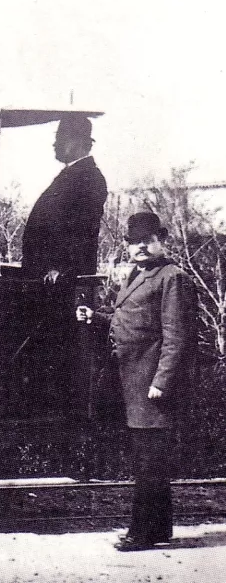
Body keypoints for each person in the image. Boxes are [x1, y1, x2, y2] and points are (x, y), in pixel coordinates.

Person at [76, 212, 197, 551]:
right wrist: (97, 318)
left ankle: (141, 534)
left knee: (149, 463)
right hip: (133, 382)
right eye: (133, 241)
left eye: (148, 240)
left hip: (151, 386)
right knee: (149, 460)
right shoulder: (136, 274)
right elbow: (126, 319)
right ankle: (158, 529)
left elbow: (178, 337)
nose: (140, 247)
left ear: (163, 241)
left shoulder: (173, 278)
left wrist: (162, 382)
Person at [22, 114, 107, 284]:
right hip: (47, 275)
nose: (56, 144)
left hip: (61, 279)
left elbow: (84, 230)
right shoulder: (72, 175)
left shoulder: (89, 177)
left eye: (62, 138)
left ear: (80, 141)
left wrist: (62, 267)